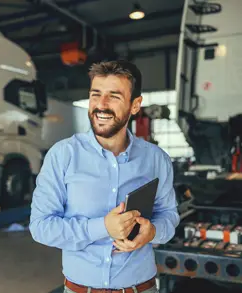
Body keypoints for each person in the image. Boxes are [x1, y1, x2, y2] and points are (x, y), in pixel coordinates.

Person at [29, 60, 180, 293]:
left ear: (135, 105)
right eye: (95, 94)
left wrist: (153, 231)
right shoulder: (63, 155)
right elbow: (41, 227)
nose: (101, 105)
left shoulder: (156, 159)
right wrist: (103, 227)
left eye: (114, 96)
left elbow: (169, 216)